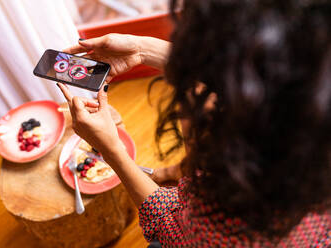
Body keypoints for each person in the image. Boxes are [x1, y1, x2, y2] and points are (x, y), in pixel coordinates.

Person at [57, 0, 331, 247]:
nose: (194, 92)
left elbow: (168, 227)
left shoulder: (232, 222)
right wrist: (143, 49)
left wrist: (113, 150)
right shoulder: (312, 95)